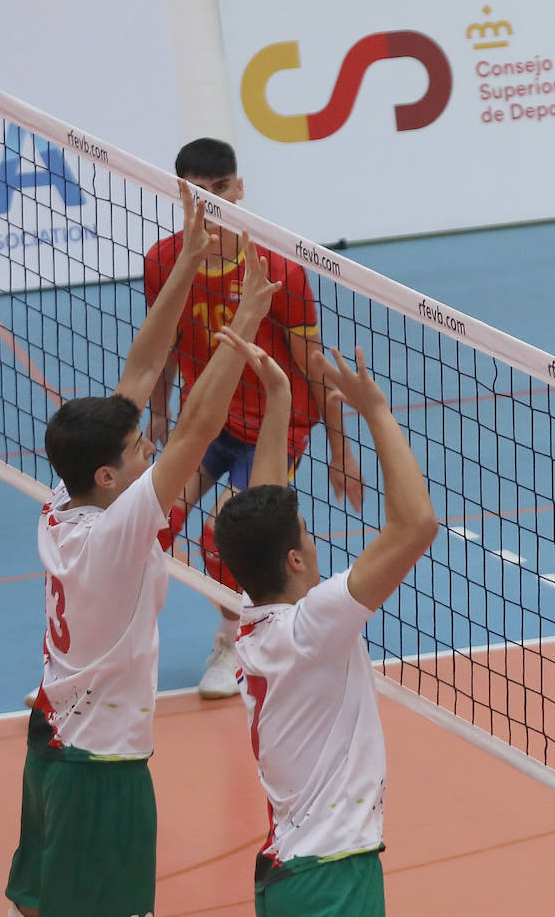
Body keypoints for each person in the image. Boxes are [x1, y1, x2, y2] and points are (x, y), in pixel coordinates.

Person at [5, 185, 280, 917]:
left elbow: (139, 376)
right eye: (136, 451)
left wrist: (186, 265)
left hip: (55, 738)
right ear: (108, 474)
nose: (147, 447)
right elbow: (195, 427)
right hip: (100, 764)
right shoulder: (119, 534)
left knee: (37, 901)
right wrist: (246, 320)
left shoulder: (64, 503)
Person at [211, 333, 438, 917]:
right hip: (330, 879)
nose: (312, 545)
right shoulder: (313, 625)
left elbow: (262, 501)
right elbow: (415, 525)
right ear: (293, 559)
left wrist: (280, 396)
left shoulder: (252, 615)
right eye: (306, 537)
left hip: (294, 870)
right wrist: (377, 413)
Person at [143, 138, 363, 699]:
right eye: (199, 191)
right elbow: (164, 341)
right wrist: (159, 417)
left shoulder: (280, 269)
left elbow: (314, 367)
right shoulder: (164, 261)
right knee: (150, 522)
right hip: (206, 420)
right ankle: (125, 647)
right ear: (182, 192)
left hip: (273, 429)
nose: (212, 202)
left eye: (221, 189)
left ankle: (231, 641)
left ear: (239, 189)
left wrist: (341, 450)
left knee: (224, 537)